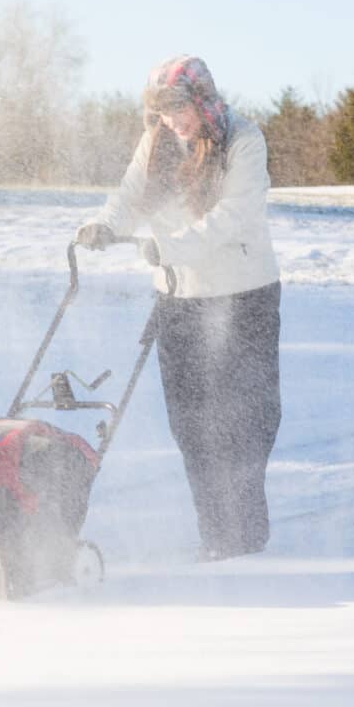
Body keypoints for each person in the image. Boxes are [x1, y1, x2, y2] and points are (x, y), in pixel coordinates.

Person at [75, 55, 281, 561]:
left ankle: (245, 535)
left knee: (247, 419)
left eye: (179, 110)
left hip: (242, 294)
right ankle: (216, 535)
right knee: (191, 422)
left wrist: (170, 248)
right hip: (179, 299)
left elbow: (233, 216)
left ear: (203, 99)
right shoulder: (157, 143)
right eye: (162, 113)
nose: (172, 122)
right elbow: (127, 197)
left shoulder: (243, 140)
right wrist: (105, 223)